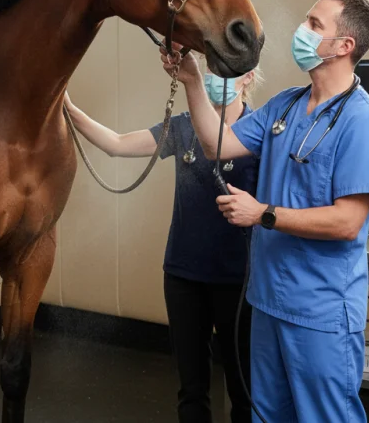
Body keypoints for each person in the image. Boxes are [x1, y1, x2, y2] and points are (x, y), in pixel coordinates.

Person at [161, 0, 369, 422]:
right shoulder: (283, 105)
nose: (301, 31)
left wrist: (263, 213)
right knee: (267, 415)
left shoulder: (363, 122)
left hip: (319, 312)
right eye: (306, 20)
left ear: (345, 46)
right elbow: (218, 143)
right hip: (268, 302)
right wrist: (193, 78)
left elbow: (347, 221)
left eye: (314, 25)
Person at [63, 61, 263, 423]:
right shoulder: (184, 127)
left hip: (239, 280)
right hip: (183, 275)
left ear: (249, 76)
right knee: (191, 389)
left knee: (244, 387)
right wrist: (70, 110)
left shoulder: (259, 131)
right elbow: (118, 145)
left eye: (227, 70)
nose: (215, 78)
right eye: (211, 68)